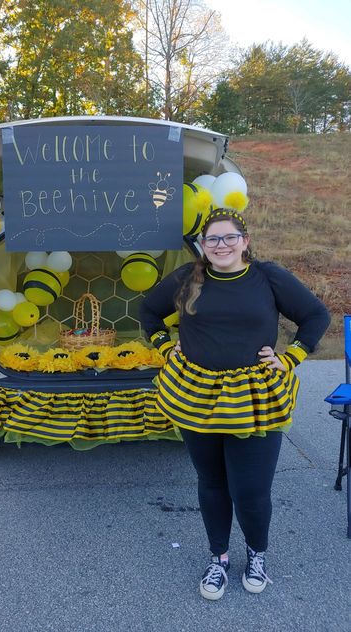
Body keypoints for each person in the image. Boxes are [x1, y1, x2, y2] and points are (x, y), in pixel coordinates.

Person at [139, 208, 330, 600]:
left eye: (229, 238)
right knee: (211, 482)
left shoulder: (268, 277)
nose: (221, 245)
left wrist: (291, 355)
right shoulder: (187, 278)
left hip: (254, 396)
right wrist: (163, 347)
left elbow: (315, 315)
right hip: (197, 394)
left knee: (251, 490)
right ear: (203, 246)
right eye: (213, 239)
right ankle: (218, 558)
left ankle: (257, 554)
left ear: (244, 241)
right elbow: (148, 311)